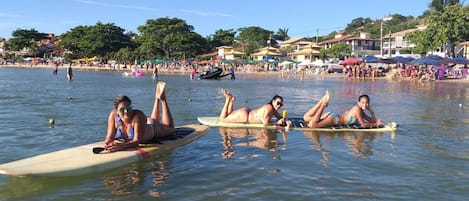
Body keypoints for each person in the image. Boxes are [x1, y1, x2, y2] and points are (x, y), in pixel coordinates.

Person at [104, 81, 175, 152]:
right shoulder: (113, 116)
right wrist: (108, 143)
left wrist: (121, 146)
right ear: (116, 111)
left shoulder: (138, 116)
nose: (126, 112)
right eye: (122, 110)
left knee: (171, 128)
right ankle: (157, 98)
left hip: (153, 129)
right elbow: (109, 137)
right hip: (146, 123)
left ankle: (163, 99)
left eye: (128, 108)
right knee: (154, 120)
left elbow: (137, 141)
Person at [302, 91, 383, 128]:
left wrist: (371, 111)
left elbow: (371, 121)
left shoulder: (361, 111)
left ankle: (321, 101)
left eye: (366, 103)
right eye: (362, 102)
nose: (364, 104)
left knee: (306, 117)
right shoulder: (357, 109)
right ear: (358, 103)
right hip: (335, 119)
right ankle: (323, 105)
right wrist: (376, 125)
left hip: (333, 116)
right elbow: (363, 125)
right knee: (313, 125)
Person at [219, 89, 286, 126]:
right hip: (245, 117)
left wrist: (284, 120)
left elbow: (280, 118)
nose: (279, 105)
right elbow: (265, 124)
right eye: (278, 103)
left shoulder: (273, 109)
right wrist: (277, 123)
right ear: (273, 101)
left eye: (281, 104)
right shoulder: (269, 108)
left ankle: (231, 101)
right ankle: (227, 99)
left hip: (246, 113)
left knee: (230, 114)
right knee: (223, 119)